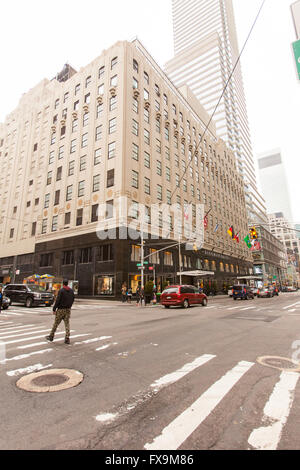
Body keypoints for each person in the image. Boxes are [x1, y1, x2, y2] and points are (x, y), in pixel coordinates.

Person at [45, 279, 75, 344]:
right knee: (67, 324)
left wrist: (54, 309)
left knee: (56, 323)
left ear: (63, 284)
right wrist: (69, 306)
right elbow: (73, 299)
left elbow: (58, 300)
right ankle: (67, 338)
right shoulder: (71, 291)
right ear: (67, 284)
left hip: (61, 309)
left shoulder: (61, 291)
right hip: (68, 309)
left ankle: (51, 336)